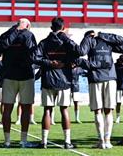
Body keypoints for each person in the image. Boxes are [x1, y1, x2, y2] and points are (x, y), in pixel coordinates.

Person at [32, 17, 79, 149]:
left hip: (48, 79)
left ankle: (44, 142)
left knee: (47, 110)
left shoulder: (44, 42)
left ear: (51, 28)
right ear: (63, 28)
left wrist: (49, 62)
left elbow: (35, 58)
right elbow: (77, 53)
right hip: (64, 79)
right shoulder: (67, 42)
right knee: (64, 110)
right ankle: (67, 142)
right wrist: (64, 62)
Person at [76, 30, 119, 149]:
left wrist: (86, 39)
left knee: (98, 111)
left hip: (95, 78)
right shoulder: (107, 41)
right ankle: (107, 140)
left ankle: (101, 141)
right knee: (109, 111)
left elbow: (81, 52)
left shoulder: (89, 41)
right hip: (110, 77)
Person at [0, 18, 37, 148]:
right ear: (27, 25)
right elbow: (33, 54)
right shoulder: (29, 35)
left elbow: (2, 47)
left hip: (9, 75)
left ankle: (7, 141)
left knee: (7, 109)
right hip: (25, 75)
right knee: (26, 109)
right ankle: (23, 140)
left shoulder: (6, 34)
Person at [115, 54, 123, 124]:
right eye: (121, 61)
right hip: (118, 87)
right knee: (118, 103)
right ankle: (118, 117)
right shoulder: (115, 66)